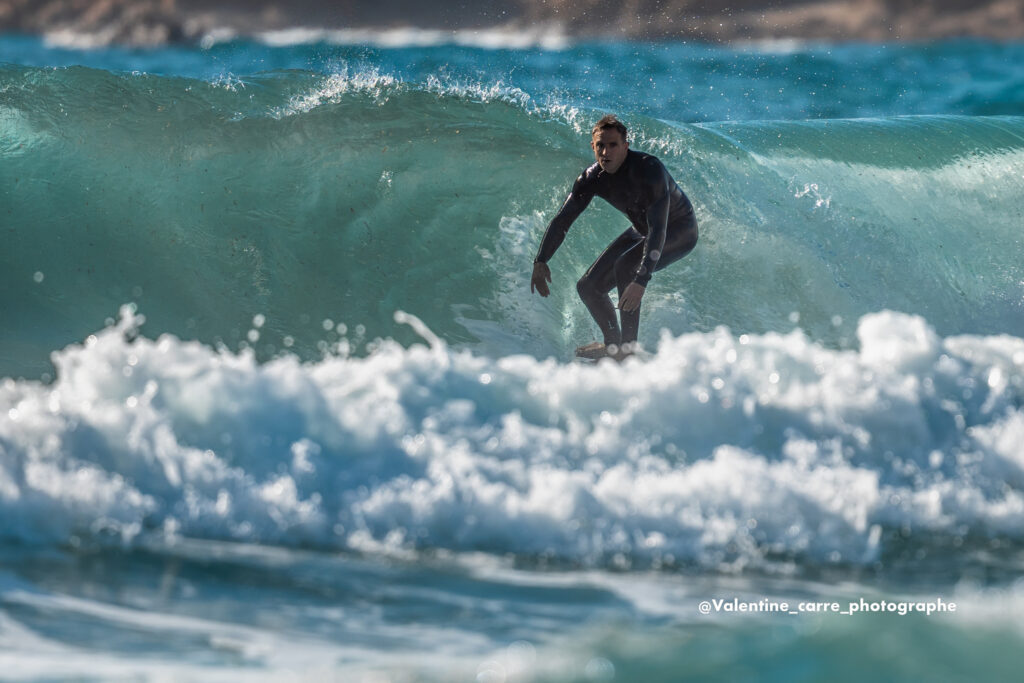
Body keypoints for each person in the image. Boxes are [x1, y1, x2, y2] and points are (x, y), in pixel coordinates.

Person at [530, 115, 698, 360]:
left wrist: (642, 279)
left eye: (613, 145)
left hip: (679, 229)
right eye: (600, 145)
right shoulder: (591, 179)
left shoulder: (649, 170)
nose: (605, 152)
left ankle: (627, 353)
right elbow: (563, 219)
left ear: (626, 146)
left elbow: (659, 229)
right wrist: (541, 260)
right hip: (643, 230)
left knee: (627, 266)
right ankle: (613, 347)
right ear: (592, 146)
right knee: (588, 287)